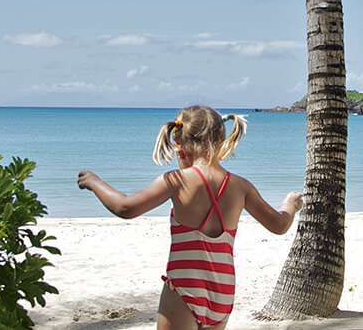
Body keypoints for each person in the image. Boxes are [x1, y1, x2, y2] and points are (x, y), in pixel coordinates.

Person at [77, 105, 303, 330]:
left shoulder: (177, 180)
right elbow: (280, 224)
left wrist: (94, 182)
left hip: (185, 287)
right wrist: (290, 204)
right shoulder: (241, 186)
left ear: (179, 144)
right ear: (221, 138)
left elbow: (125, 207)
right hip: (222, 291)